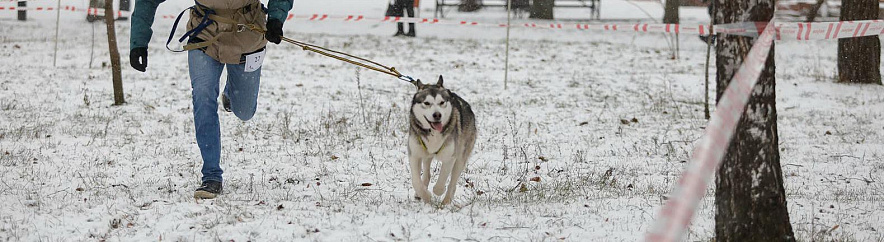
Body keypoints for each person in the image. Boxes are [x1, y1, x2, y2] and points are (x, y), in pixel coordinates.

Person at [129, 0, 293, 199]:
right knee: (203, 95)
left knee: (245, 111)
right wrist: (138, 41)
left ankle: (232, 92)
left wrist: (276, 18)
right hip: (204, 33)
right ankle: (211, 176)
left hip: (248, 36)